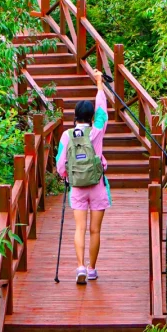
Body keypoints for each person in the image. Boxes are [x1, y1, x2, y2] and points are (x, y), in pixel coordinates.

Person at [56, 68, 110, 284]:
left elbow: (60, 162)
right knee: (95, 230)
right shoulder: (97, 130)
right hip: (97, 184)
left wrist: (65, 176)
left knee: (80, 228)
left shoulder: (67, 135)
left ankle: (79, 267)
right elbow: (102, 110)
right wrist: (99, 84)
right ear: (91, 117)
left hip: (77, 185)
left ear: (76, 115)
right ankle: (92, 269)